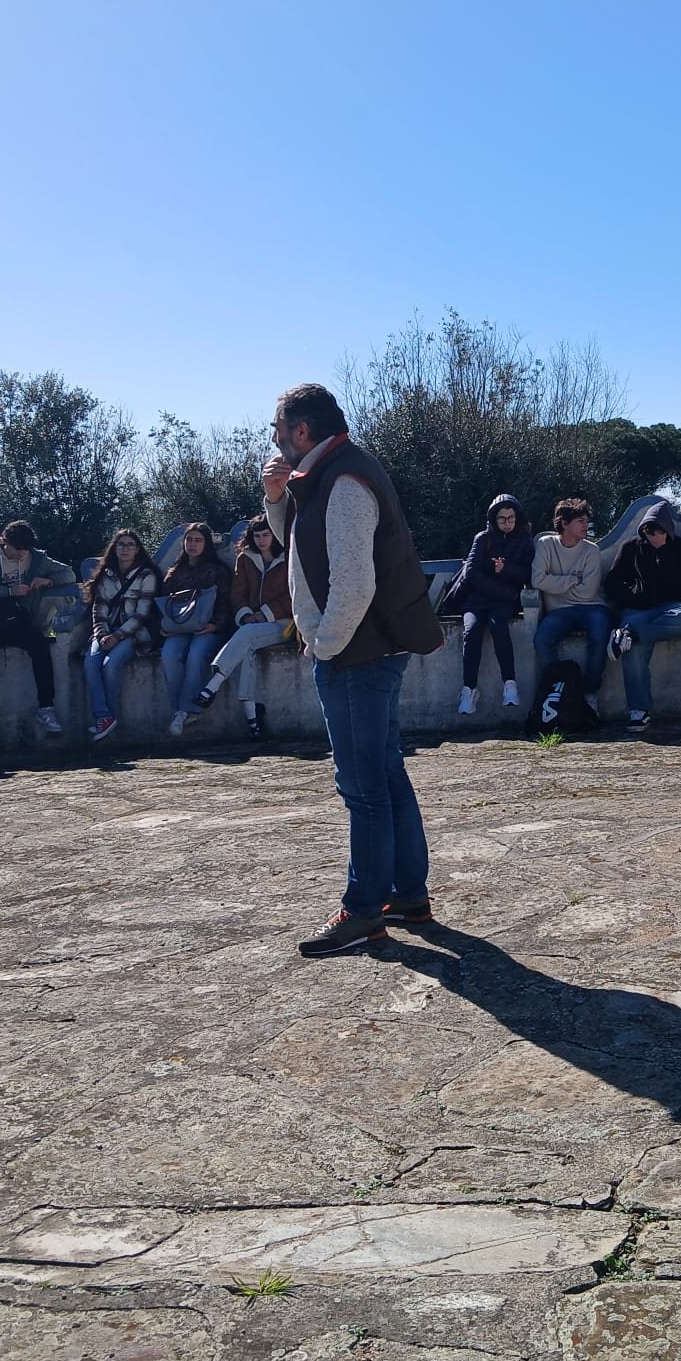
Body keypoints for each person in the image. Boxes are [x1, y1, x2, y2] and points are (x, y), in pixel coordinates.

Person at [262, 382, 443, 958]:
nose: (273, 437)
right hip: (367, 651)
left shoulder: (342, 481)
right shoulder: (330, 472)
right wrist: (275, 500)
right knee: (385, 776)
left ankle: (363, 911)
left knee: (363, 789)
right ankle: (408, 896)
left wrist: (325, 645)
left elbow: (354, 583)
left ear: (302, 431)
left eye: (278, 428)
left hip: (356, 656)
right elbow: (303, 548)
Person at [0, 521, 73, 752]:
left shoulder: (37, 558)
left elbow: (69, 573)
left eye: (25, 551)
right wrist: (9, 591)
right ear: (4, 542)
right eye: (17, 550)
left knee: (41, 648)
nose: (21, 555)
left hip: (18, 621)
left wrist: (49, 580)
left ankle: (46, 708)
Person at [188, 515, 292, 738]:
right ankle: (253, 717)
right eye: (257, 536)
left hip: (285, 624)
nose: (262, 540)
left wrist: (265, 614)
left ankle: (212, 685)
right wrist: (245, 615)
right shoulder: (245, 558)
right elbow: (237, 593)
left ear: (274, 535)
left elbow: (293, 595)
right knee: (247, 649)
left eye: (266, 535)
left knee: (246, 636)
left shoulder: (289, 557)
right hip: (250, 626)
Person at [603, 500, 681, 732]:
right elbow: (612, 583)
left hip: (671, 608)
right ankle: (639, 710)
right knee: (632, 649)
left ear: (668, 531)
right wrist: (634, 595)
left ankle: (630, 634)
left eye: (660, 532)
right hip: (637, 609)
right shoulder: (631, 547)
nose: (655, 536)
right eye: (649, 532)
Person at [451, 494, 532, 716]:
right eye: (502, 518)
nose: (507, 523)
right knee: (472, 631)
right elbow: (470, 574)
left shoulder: (524, 540)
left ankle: (510, 684)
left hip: (503, 603)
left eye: (511, 518)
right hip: (477, 600)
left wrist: (506, 570)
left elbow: (528, 573)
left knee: (499, 626)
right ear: (494, 519)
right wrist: (504, 591)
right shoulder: (483, 538)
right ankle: (469, 689)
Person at [530, 498, 609, 714]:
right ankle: (559, 689)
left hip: (592, 607)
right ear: (564, 523)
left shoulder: (591, 550)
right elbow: (537, 580)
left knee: (600, 637)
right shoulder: (546, 544)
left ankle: (589, 693)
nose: (586, 526)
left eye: (586, 521)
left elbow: (588, 592)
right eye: (580, 521)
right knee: (542, 640)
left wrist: (555, 584)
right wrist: (573, 579)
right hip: (560, 611)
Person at [81, 528, 161, 742]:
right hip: (105, 632)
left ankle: (109, 718)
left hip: (133, 634)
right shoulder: (105, 574)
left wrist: (118, 636)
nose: (125, 549)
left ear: (137, 550)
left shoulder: (147, 575)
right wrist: (102, 634)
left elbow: (142, 614)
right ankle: (103, 717)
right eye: (121, 545)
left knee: (111, 664)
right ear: (114, 548)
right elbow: (98, 609)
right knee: (91, 663)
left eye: (130, 545)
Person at [159, 523, 232, 736]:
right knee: (169, 654)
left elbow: (227, 603)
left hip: (209, 628)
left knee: (197, 654)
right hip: (179, 629)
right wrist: (163, 628)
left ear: (206, 543)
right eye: (189, 539)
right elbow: (163, 603)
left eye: (198, 540)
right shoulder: (175, 572)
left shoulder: (218, 571)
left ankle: (188, 710)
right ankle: (179, 710)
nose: (192, 544)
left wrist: (215, 625)